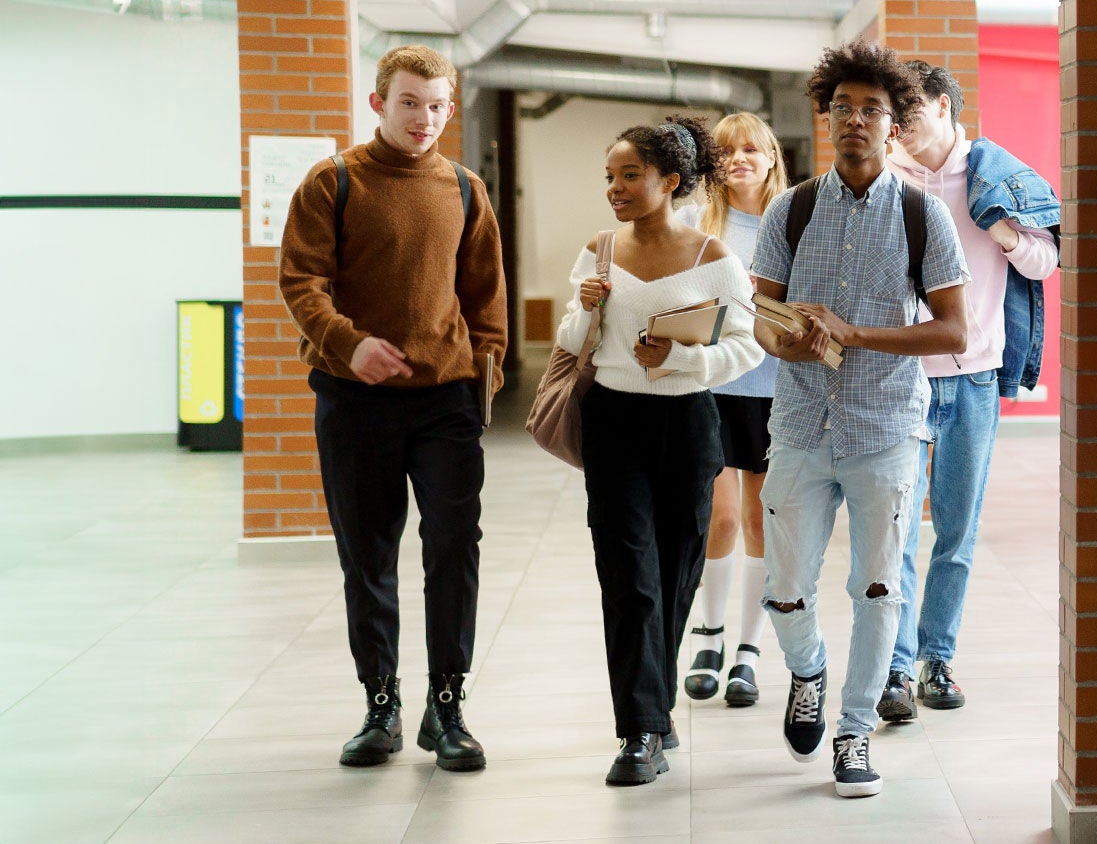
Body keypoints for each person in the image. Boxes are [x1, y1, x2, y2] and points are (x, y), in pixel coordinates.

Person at [749, 42, 970, 798]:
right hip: (801, 425)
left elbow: (952, 332)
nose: (854, 119)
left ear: (896, 124)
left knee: (879, 589)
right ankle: (807, 670)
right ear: (827, 116)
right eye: (842, 106)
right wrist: (794, 342)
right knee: (783, 587)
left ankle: (852, 731)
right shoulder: (792, 207)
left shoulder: (922, 215)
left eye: (871, 109)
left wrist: (853, 333)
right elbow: (761, 321)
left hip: (885, 430)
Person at [279, 44, 507, 771]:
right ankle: (381, 705)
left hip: (444, 403)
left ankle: (448, 709)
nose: (426, 118)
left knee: (452, 550)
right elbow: (301, 282)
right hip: (354, 400)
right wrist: (350, 345)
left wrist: (483, 384)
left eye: (438, 106)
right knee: (368, 554)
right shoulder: (334, 181)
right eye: (411, 102)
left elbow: (486, 302)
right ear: (379, 104)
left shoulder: (467, 190)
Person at [554, 115, 764, 785]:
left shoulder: (712, 259)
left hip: (688, 426)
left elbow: (748, 345)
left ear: (670, 181)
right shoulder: (600, 250)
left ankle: (656, 703)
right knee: (629, 579)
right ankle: (639, 730)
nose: (616, 188)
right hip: (613, 423)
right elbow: (568, 337)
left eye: (630, 176)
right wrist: (586, 307)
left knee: (674, 577)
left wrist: (679, 358)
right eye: (610, 177)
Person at [877, 61, 1060, 719]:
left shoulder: (993, 178)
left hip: (975, 377)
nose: (898, 128)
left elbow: (1045, 262)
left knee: (956, 531)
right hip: (899, 380)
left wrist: (1001, 229)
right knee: (895, 529)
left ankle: (936, 661)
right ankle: (894, 669)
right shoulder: (883, 183)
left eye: (911, 114)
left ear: (947, 107)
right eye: (892, 117)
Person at [677, 112, 788, 708]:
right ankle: (709, 634)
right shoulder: (694, 223)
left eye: (752, 148)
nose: (740, 158)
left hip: (775, 394)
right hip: (713, 390)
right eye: (727, 151)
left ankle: (749, 648)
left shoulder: (793, 222)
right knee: (717, 519)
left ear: (771, 156)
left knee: (760, 523)